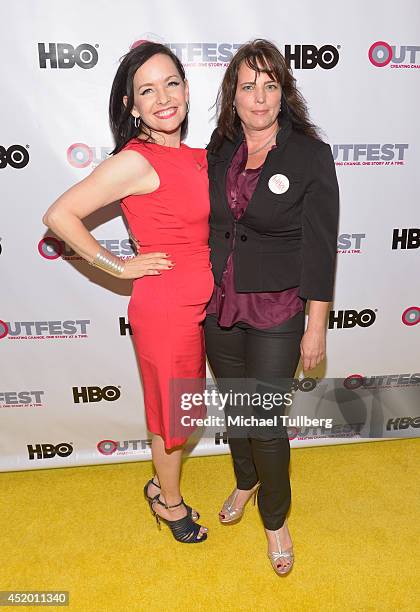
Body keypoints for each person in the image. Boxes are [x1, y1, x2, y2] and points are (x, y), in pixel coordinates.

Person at [43, 41, 213, 544]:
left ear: (185, 88)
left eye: (171, 83)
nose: (163, 97)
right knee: (173, 415)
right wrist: (116, 267)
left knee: (184, 408)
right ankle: (169, 501)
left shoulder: (195, 156)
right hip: (166, 309)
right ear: (131, 105)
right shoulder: (136, 161)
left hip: (200, 304)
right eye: (147, 90)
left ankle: (162, 487)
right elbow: (58, 216)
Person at [204, 39, 339, 574]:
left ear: (284, 93)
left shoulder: (309, 155)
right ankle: (244, 482)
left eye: (270, 85)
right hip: (218, 306)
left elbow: (322, 245)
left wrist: (316, 326)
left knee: (264, 421)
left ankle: (276, 517)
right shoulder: (218, 149)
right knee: (235, 410)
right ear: (231, 96)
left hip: (278, 310)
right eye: (247, 86)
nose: (259, 98)